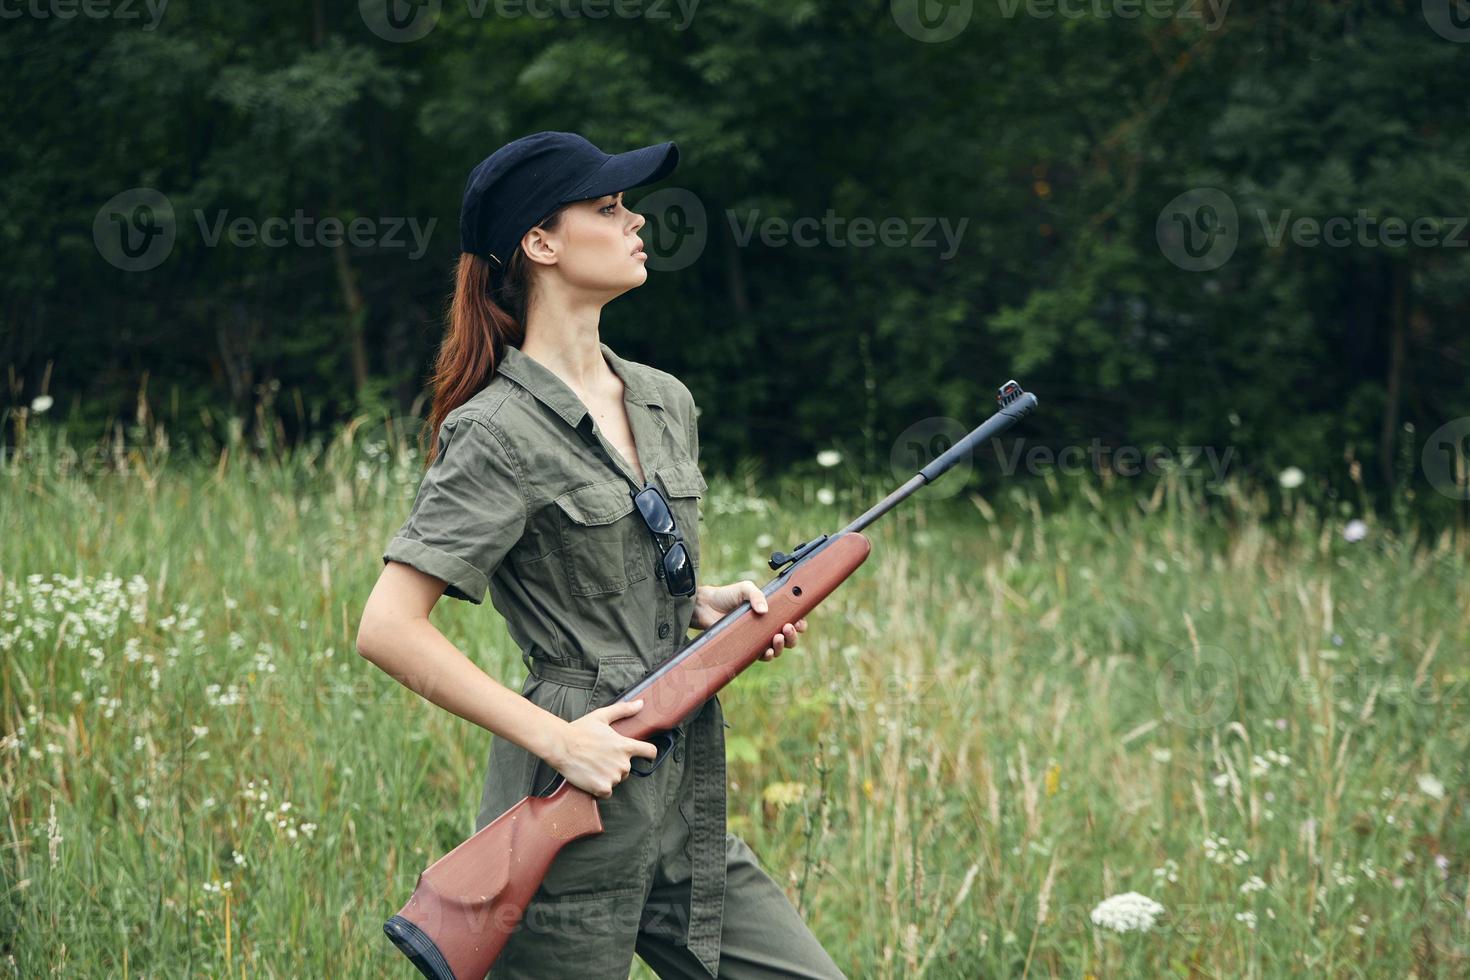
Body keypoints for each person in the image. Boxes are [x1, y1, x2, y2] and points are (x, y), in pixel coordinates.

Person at [355, 132, 846, 979]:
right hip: (569, 803)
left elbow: (623, 571)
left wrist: (702, 608)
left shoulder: (663, 399)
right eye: (608, 207)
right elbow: (388, 627)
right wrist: (560, 740)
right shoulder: (494, 431)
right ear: (540, 244)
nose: (636, 220)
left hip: (686, 801)